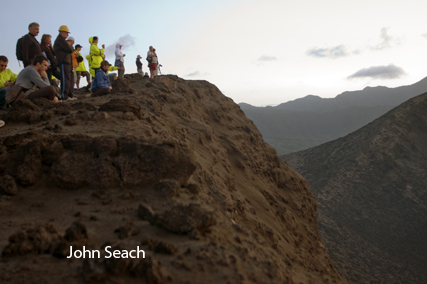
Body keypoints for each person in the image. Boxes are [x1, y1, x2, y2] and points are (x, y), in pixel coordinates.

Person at [54, 25, 76, 100]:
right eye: (67, 33)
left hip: (67, 62)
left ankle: (69, 95)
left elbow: (70, 49)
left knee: (69, 78)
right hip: (63, 61)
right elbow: (70, 49)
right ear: (62, 32)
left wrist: (70, 48)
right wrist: (70, 48)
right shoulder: (60, 40)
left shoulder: (62, 40)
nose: (67, 35)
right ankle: (64, 96)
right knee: (65, 79)